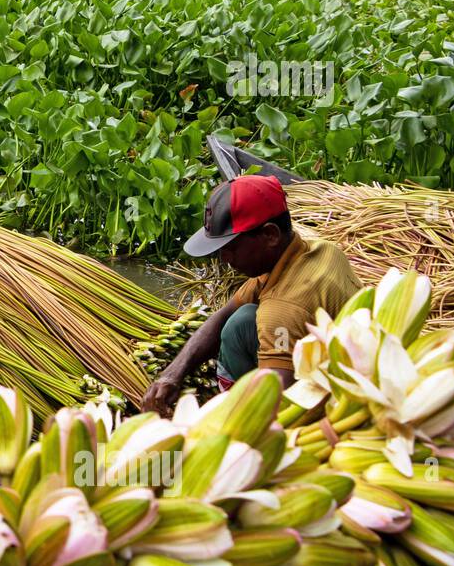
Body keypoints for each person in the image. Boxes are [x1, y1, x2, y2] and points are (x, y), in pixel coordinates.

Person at [140, 173, 361, 417]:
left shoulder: (282, 308)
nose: (224, 259)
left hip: (339, 399)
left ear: (270, 235)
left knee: (239, 329)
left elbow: (277, 407)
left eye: (231, 248)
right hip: (343, 364)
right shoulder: (320, 250)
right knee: (240, 321)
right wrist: (173, 374)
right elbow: (223, 315)